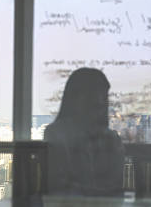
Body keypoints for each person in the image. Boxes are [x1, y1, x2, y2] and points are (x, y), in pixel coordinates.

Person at [44, 68, 125, 196]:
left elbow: (115, 185)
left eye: (103, 97)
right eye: (93, 95)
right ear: (75, 98)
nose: (100, 101)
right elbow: (58, 184)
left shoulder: (112, 139)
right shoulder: (57, 134)